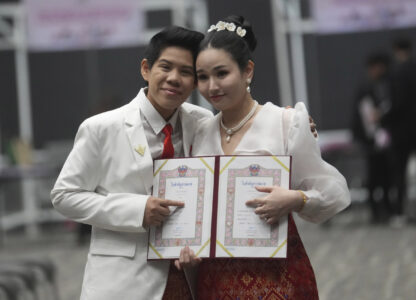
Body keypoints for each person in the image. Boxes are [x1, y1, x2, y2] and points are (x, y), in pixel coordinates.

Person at [188, 15, 351, 299]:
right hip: (214, 280)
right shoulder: (198, 131)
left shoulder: (285, 122)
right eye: (202, 77)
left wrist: (296, 199)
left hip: (278, 276)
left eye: (221, 73)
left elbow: (334, 191)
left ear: (247, 71)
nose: (211, 86)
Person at [50, 26, 213, 299]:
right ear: (146, 69)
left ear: (195, 81)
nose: (174, 78)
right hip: (122, 282)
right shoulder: (101, 128)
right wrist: (137, 210)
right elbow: (64, 196)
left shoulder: (203, 122)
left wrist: (293, 123)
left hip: (188, 274)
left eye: (186, 72)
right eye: (166, 67)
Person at [351, 53, 393, 223]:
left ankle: (385, 208)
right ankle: (376, 211)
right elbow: (361, 117)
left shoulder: (385, 85)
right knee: (374, 175)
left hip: (383, 138)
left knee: (385, 176)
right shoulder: (367, 88)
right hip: (370, 140)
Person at [381, 38, 416, 227]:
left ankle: (399, 213)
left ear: (396, 50)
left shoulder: (397, 73)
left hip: (402, 131)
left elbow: (397, 104)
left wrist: (383, 118)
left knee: (399, 173)